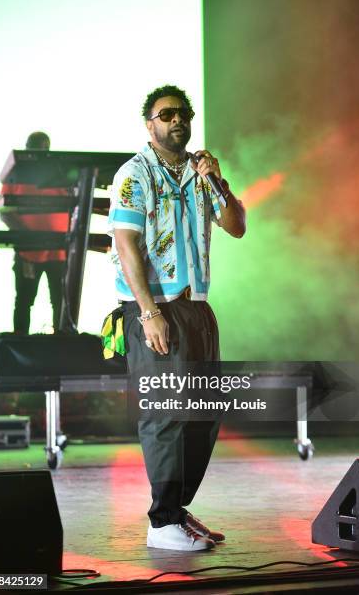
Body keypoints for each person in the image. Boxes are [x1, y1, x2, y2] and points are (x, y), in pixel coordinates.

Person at [108, 85, 246, 551]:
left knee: (204, 414)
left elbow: (237, 226)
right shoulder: (134, 173)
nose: (177, 121)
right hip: (156, 309)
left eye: (183, 113)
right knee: (165, 414)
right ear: (150, 123)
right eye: (166, 114)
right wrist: (148, 312)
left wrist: (218, 180)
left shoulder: (198, 172)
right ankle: (161, 521)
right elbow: (125, 243)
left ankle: (176, 511)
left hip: (197, 308)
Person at [0, 132, 69, 334]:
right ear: (27, 148)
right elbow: (5, 212)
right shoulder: (15, 174)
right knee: (24, 299)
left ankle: (62, 346)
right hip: (28, 251)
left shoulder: (60, 174)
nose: (40, 151)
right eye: (35, 146)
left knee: (60, 301)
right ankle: (19, 345)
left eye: (44, 147)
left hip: (59, 250)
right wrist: (27, 236)